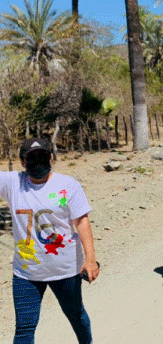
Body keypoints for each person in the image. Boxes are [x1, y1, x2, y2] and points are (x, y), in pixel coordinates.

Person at [1, 138, 99, 344]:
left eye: (42, 157)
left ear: (51, 158)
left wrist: (90, 259)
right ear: (22, 162)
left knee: (76, 315)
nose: (37, 162)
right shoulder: (13, 183)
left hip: (65, 269)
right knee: (24, 328)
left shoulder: (67, 185)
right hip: (27, 272)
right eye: (31, 158)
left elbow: (81, 221)